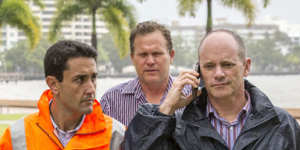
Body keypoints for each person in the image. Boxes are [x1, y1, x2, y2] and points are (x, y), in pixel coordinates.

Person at [123, 29, 300, 150]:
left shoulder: (282, 124)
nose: (219, 74)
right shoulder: (178, 127)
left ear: (246, 67)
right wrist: (167, 107)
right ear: (198, 71)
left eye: (227, 64)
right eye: (209, 66)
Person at [0, 40, 125, 150]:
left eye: (93, 78)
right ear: (53, 84)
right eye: (80, 79)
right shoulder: (17, 137)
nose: (91, 89)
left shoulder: (117, 136)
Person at [100, 21, 190, 126]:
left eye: (156, 54)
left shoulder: (191, 96)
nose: (150, 61)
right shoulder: (111, 101)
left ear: (171, 56)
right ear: (132, 58)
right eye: (143, 55)